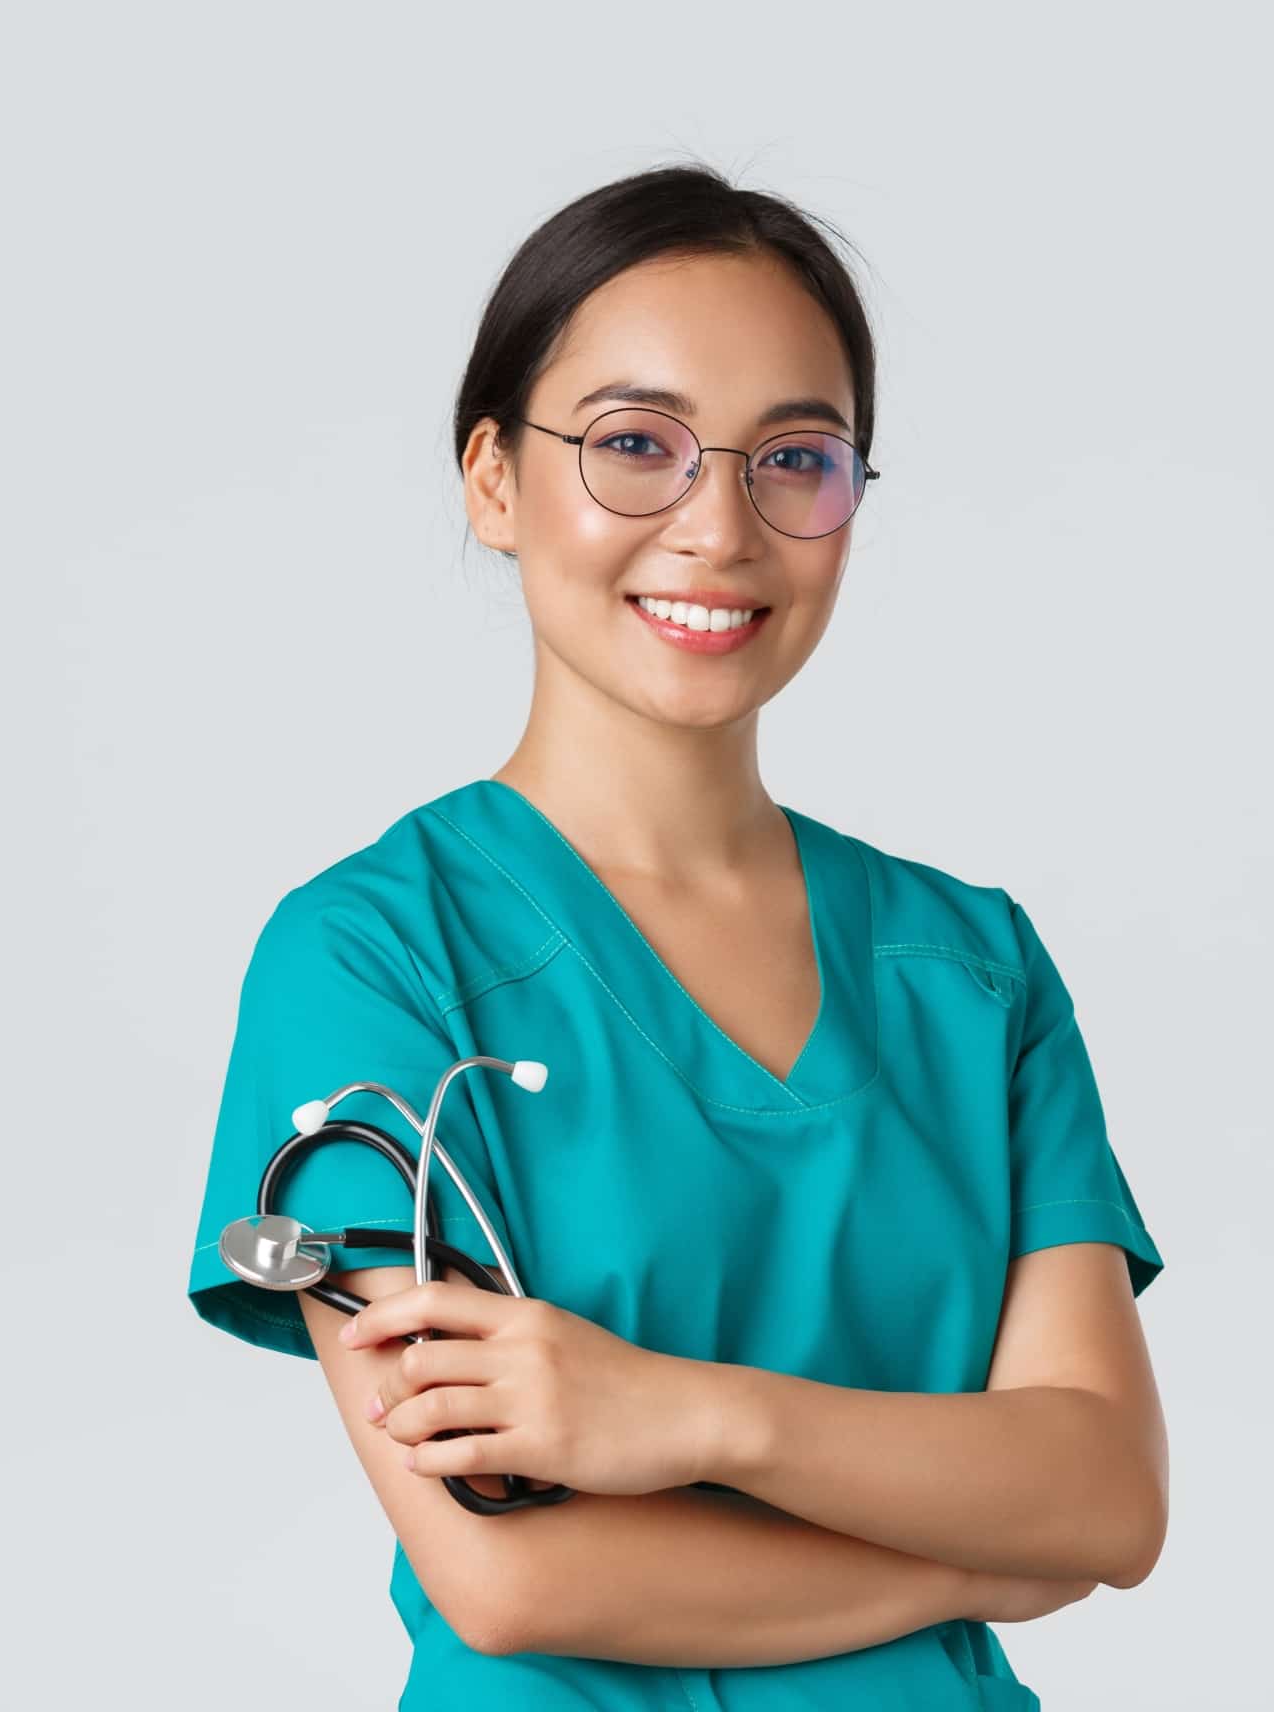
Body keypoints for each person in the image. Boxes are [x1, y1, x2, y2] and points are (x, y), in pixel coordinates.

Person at [184, 162, 1168, 1712]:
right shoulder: (375, 959)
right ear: (495, 479)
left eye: (797, 456)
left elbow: (1109, 1496)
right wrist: (988, 1559)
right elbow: (513, 1578)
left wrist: (686, 1417)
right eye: (635, 445)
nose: (720, 526)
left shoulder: (976, 971)